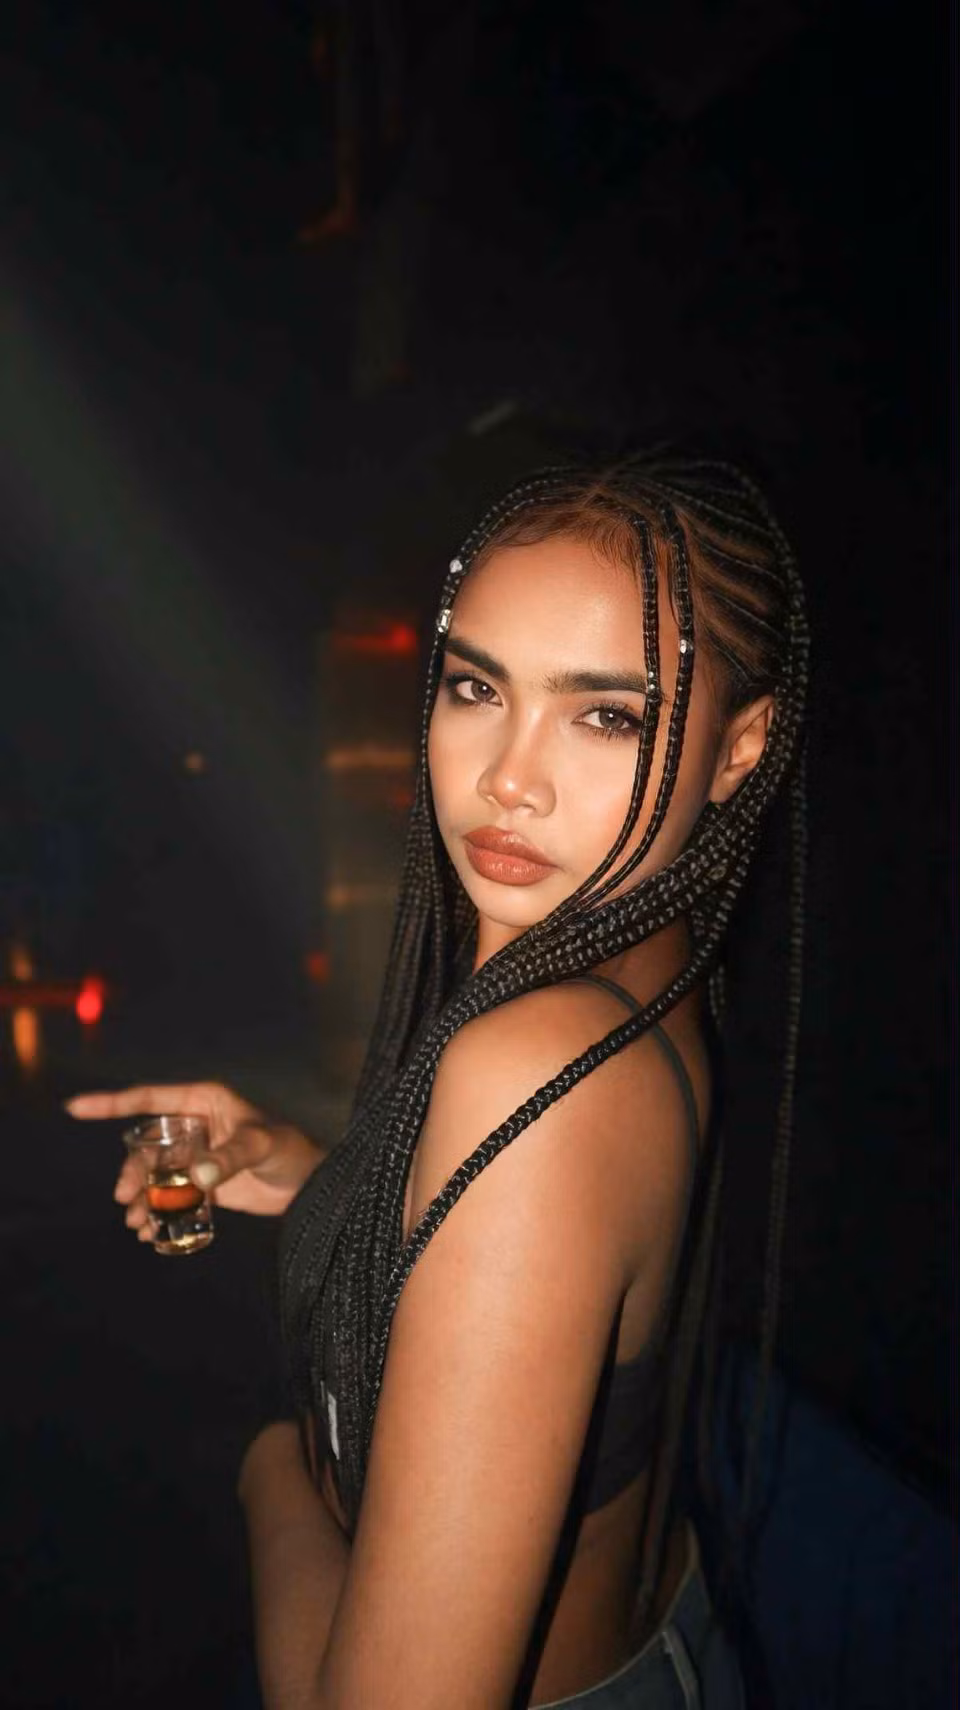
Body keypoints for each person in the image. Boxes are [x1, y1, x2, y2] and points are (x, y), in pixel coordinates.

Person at [68, 452, 808, 1708]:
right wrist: (315, 1174)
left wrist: (267, 1473)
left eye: (607, 715)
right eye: (477, 687)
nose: (507, 777)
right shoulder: (641, 965)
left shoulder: (538, 1063)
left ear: (741, 747)